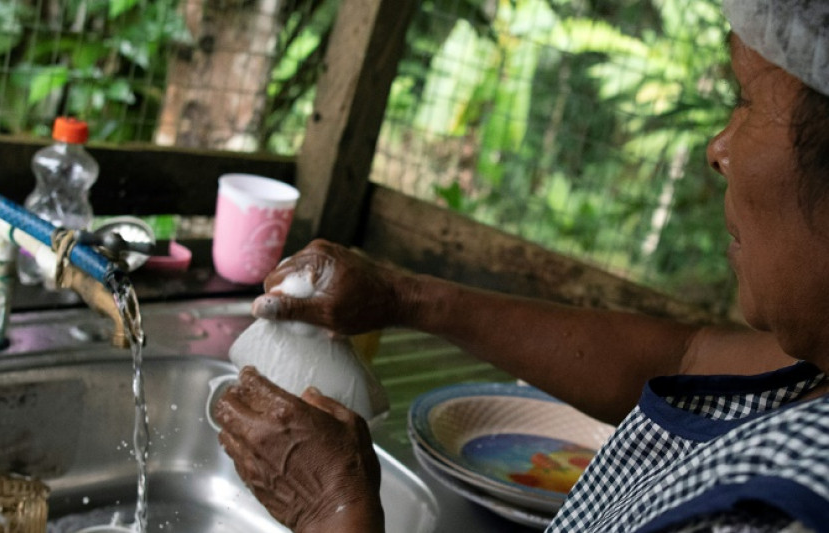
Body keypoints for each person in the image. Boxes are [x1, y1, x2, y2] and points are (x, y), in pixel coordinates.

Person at [213, 0, 829, 531]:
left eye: (748, 101)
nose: (717, 148)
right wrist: (401, 298)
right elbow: (685, 363)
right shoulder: (812, 376)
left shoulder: (789, 514)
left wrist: (334, 510)